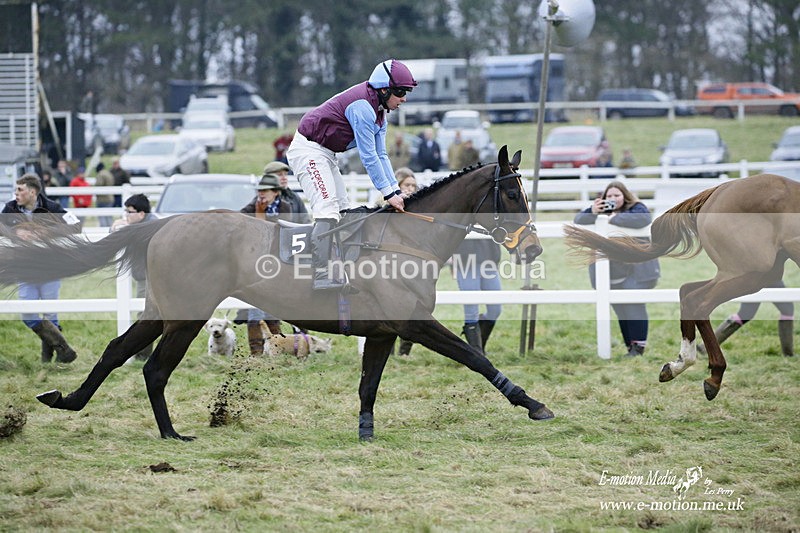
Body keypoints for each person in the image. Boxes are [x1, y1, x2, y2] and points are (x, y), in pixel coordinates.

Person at [286, 58, 417, 290]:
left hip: (326, 153)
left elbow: (382, 155)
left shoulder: (380, 112)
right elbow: (368, 158)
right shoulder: (363, 108)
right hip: (309, 151)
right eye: (401, 92)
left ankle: (343, 268)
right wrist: (388, 194)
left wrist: (395, 190)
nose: (404, 98)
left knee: (344, 209)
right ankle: (321, 274)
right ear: (384, 89)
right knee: (327, 208)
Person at [574, 180, 660, 357]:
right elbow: (578, 220)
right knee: (620, 307)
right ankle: (631, 346)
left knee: (633, 303)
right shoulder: (600, 211)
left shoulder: (636, 208)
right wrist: (593, 211)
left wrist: (613, 218)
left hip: (638, 270)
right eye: (609, 196)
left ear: (625, 196)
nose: (613, 199)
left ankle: (638, 347)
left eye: (617, 195)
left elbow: (644, 219)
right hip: (612, 272)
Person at [1, 174, 81, 363]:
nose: (16, 193)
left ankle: (48, 358)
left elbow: (76, 225)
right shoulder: (10, 208)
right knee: (27, 313)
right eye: (16, 189)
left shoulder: (52, 208)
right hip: (24, 269)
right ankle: (65, 350)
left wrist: (47, 232)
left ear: (32, 191)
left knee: (50, 314)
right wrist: (15, 233)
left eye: (20, 190)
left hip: (49, 268)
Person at [240, 173, 300, 354]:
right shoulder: (252, 206)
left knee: (274, 306)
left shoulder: (285, 206)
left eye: (265, 190)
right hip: (255, 262)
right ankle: (256, 352)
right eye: (259, 190)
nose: (261, 194)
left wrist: (260, 218)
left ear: (276, 192)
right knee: (255, 308)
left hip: (279, 262)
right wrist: (258, 216)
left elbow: (281, 231)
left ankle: (278, 347)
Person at [111, 193, 157, 360]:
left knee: (144, 315)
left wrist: (127, 227)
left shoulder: (152, 225)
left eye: (129, 212)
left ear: (141, 214)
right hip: (145, 276)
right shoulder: (143, 224)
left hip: (151, 278)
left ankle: (143, 355)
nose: (126, 216)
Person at [701, 281, 794, 357]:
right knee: (787, 310)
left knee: (745, 314)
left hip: (757, 275)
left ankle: (705, 347)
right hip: (764, 275)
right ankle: (788, 354)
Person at [451, 237, 503, 355]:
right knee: (471, 310)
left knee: (495, 309)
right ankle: (476, 352)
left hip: (489, 261)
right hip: (466, 263)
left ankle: (480, 345)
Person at [94, 162, 115, 227]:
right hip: (110, 197)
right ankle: (110, 229)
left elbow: (99, 184)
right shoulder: (109, 173)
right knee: (109, 216)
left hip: (102, 198)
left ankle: (103, 229)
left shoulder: (100, 174)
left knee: (102, 215)